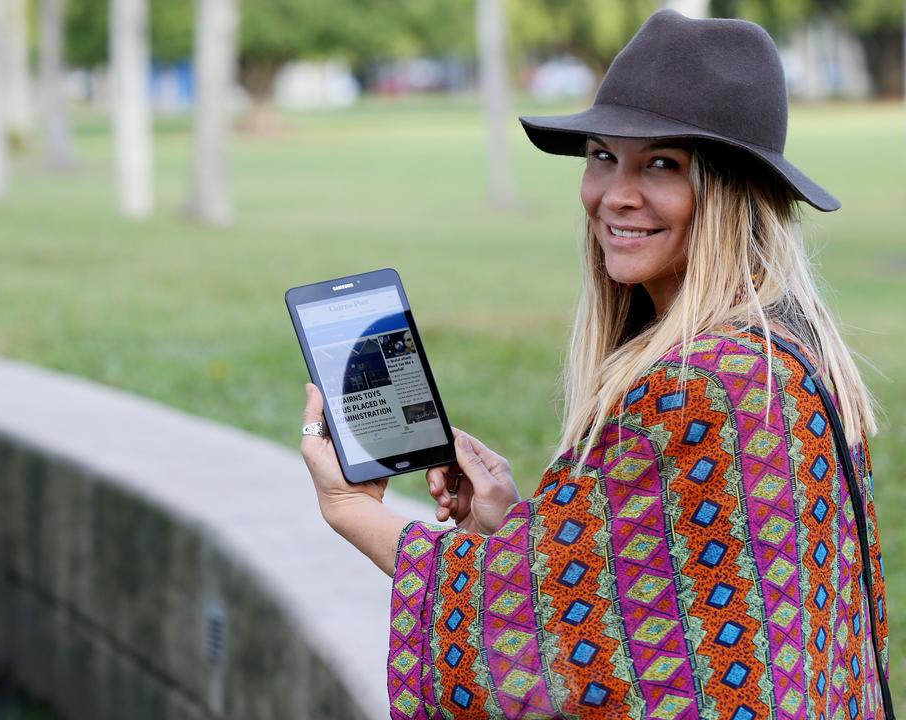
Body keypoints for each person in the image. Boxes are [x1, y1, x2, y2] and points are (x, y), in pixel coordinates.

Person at [299, 10, 892, 720]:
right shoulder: (786, 349)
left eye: (662, 164)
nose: (615, 194)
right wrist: (517, 527)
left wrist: (349, 510)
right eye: (603, 155)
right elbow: (662, 609)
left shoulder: (706, 387)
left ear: (732, 192)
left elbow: (535, 637)